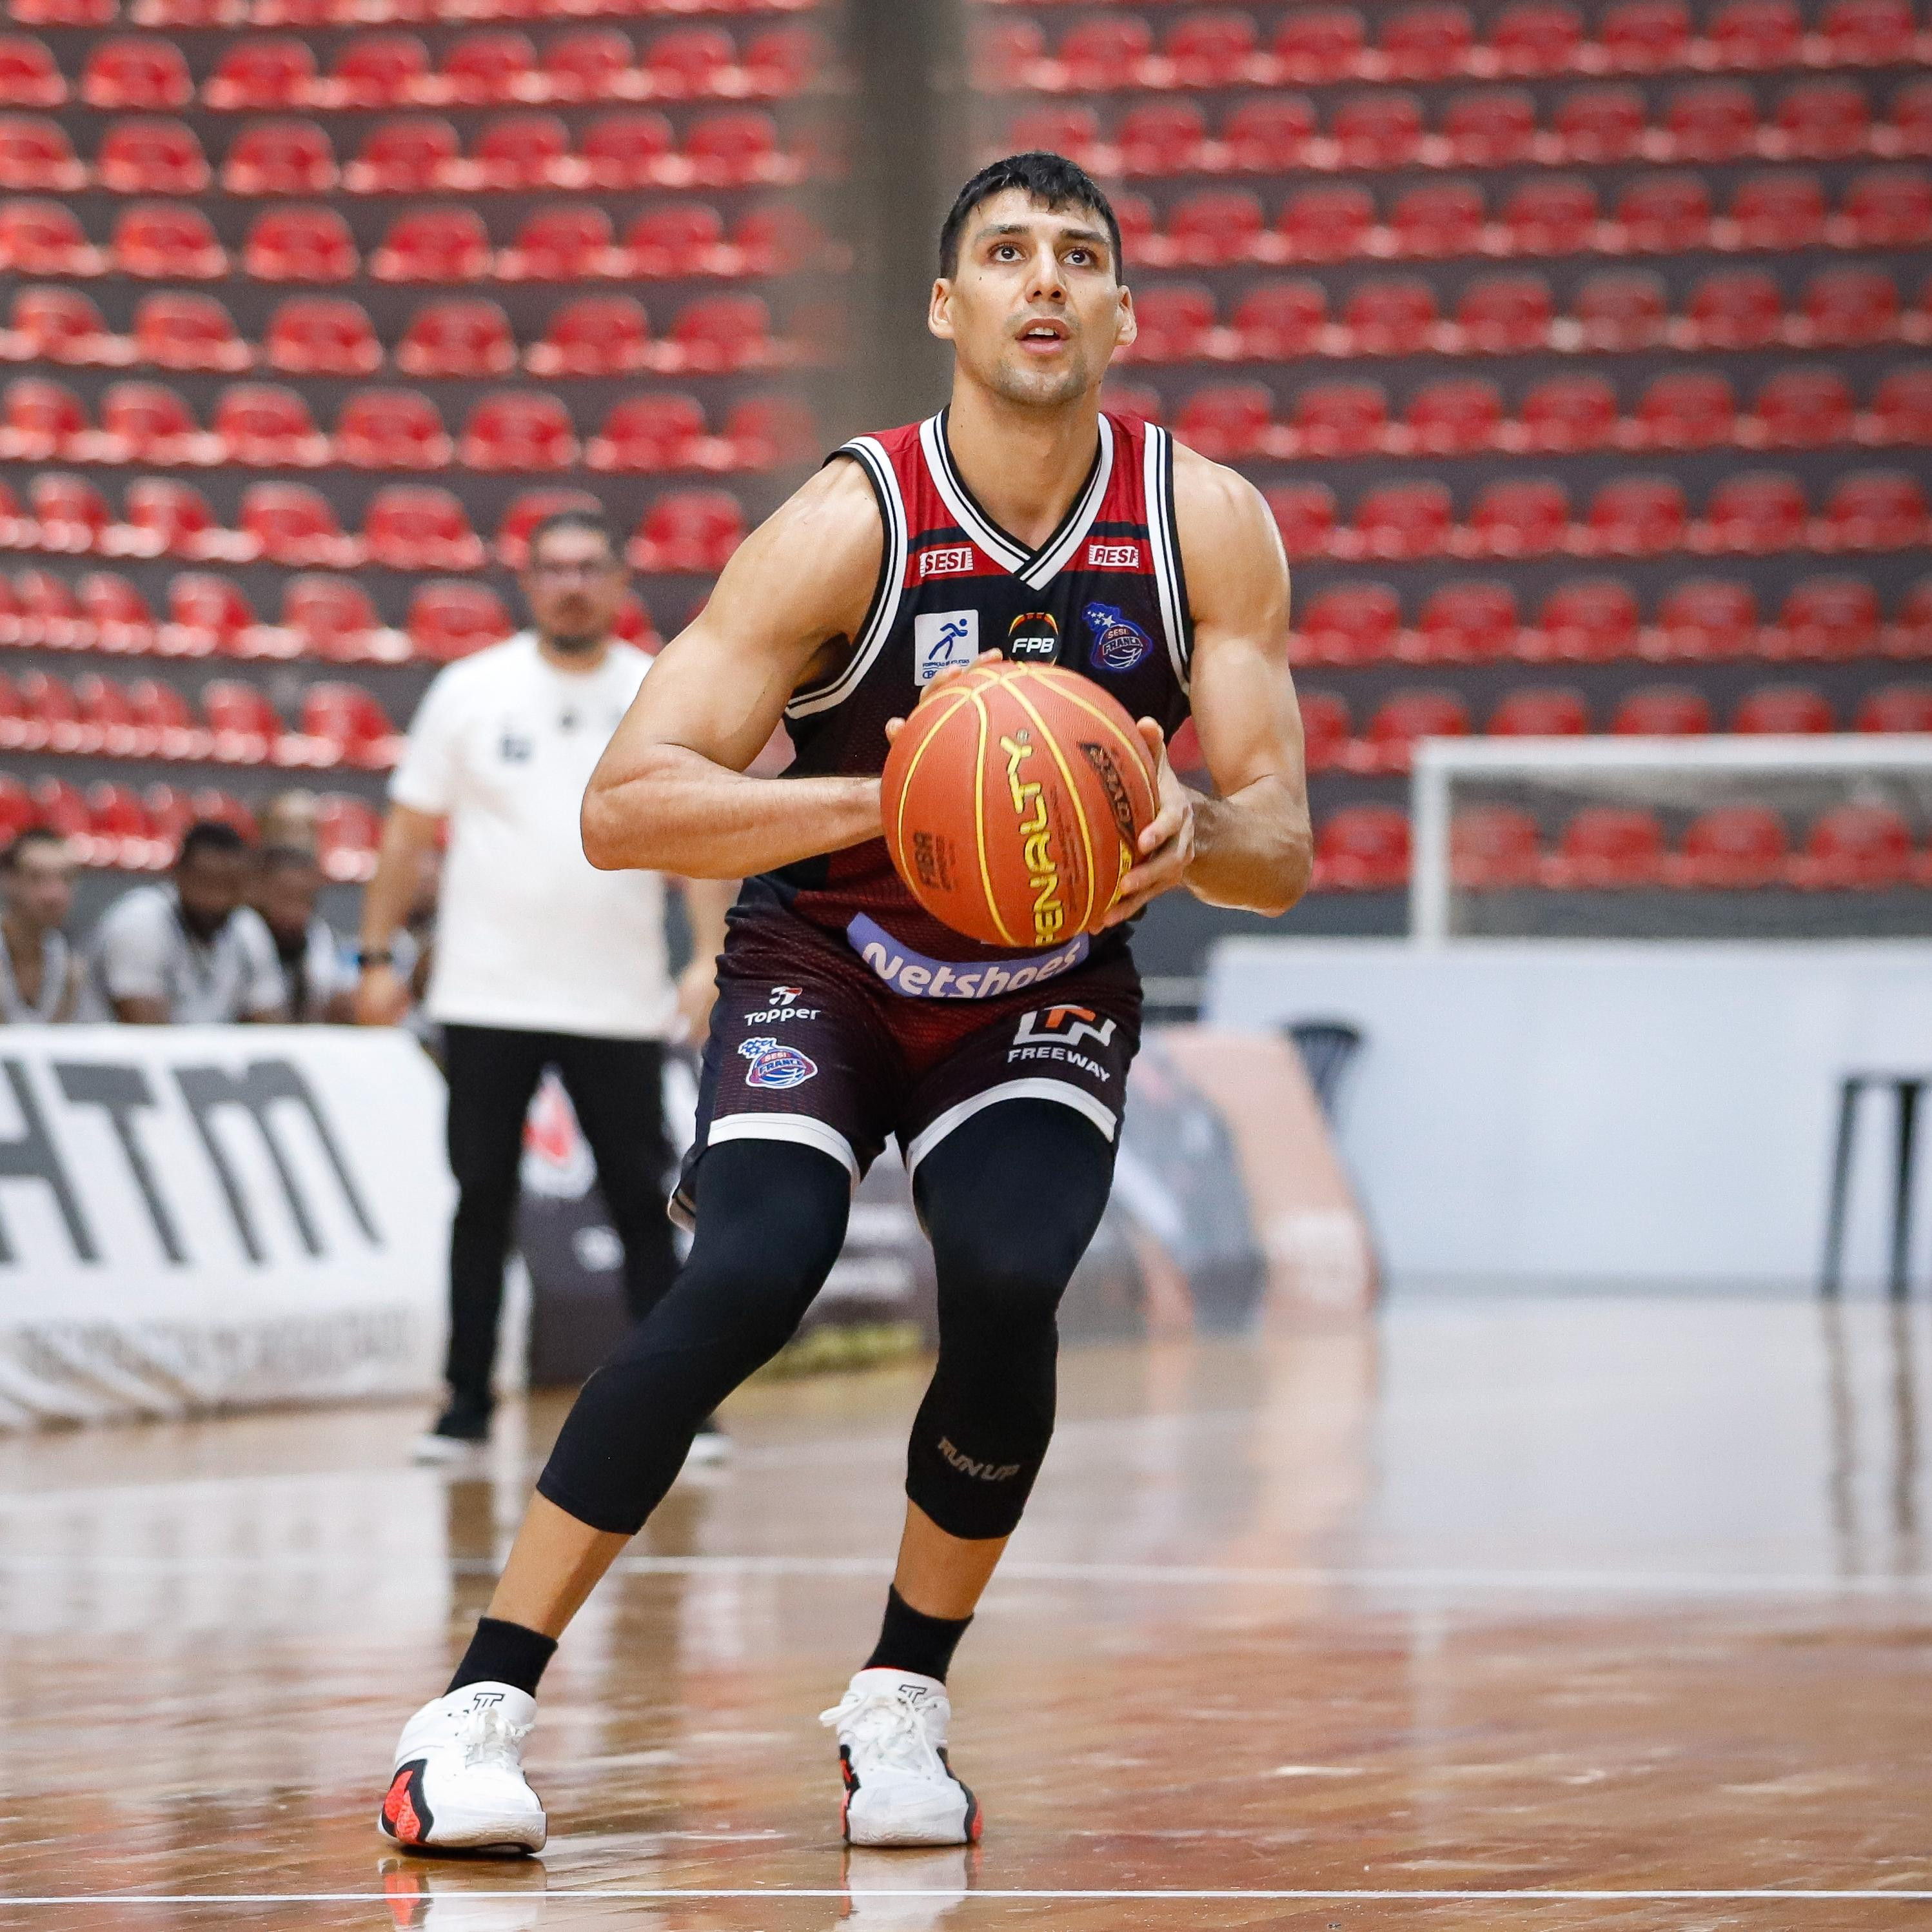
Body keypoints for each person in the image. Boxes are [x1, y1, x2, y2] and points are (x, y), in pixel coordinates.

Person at [378, 151, 1312, 1858]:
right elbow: (627, 804)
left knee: (1012, 1278)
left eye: (1079, 256)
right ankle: (477, 1702)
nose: (1046, 281)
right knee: (745, 1270)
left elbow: (1285, 848)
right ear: (948, 308)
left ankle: (901, 1696)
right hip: (827, 957)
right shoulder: (845, 520)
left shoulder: (1203, 523)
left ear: (1121, 308)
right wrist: (890, 800)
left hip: (1041, 977)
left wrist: (1198, 836)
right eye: (1008, 255)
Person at [355, 508, 736, 1464]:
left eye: (589, 565)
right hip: (486, 997)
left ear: (619, 581)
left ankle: (678, 1406)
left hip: (615, 1000)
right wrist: (372, 960)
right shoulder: (471, 690)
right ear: (528, 583)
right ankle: (466, 1405)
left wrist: (708, 956)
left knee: (644, 1203)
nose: (571, 582)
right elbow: (407, 837)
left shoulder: (661, 690)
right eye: (553, 567)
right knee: (479, 1199)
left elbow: (700, 838)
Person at [86, 820, 286, 1025]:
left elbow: (272, 1028)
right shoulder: (140, 920)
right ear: (179, 875)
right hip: (113, 1055)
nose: (216, 899)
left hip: (206, 1055)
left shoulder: (247, 927)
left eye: (229, 885)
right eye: (206, 883)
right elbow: (147, 1033)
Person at [253, 843, 357, 1023]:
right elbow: (262, 1015)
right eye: (285, 897)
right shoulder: (246, 929)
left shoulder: (317, 934)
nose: (295, 910)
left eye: (305, 899)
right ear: (259, 891)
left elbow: (334, 998)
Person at [0, 827, 81, 1023]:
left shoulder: (70, 968)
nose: (55, 894)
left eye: (66, 878)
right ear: (8, 880)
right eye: (37, 878)